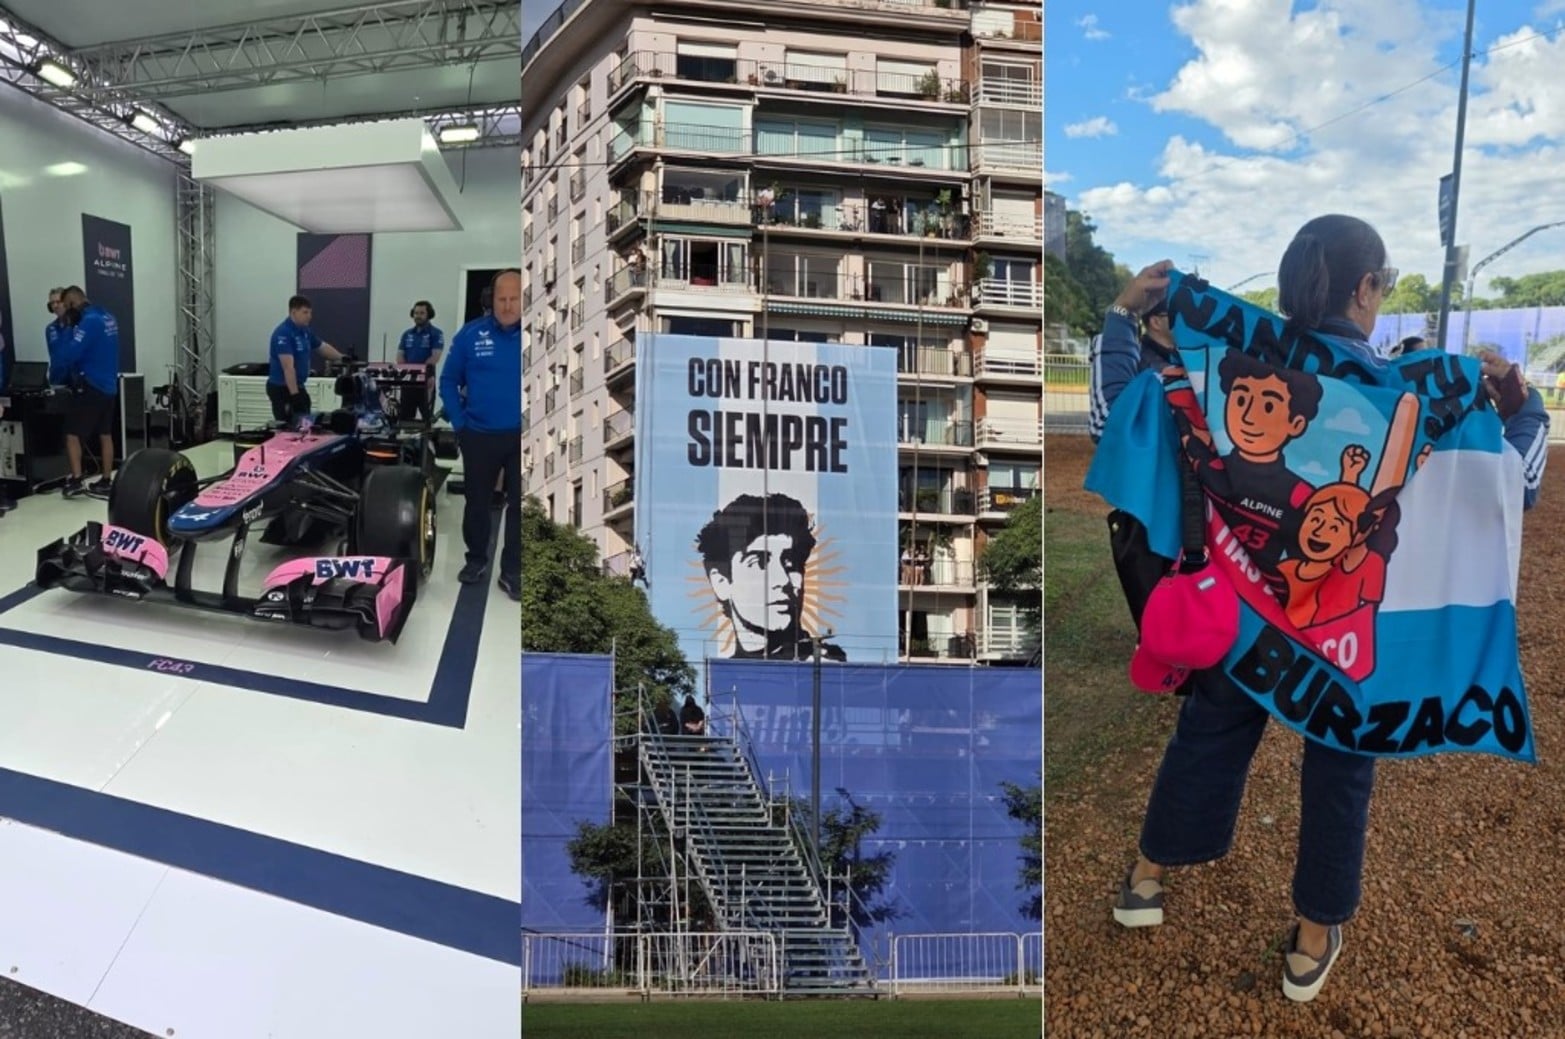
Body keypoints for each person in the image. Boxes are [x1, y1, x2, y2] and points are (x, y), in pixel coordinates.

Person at [1095, 216, 1548, 1004]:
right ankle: (1310, 940)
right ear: (1366, 289)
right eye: (1380, 284)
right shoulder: (1413, 388)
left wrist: (1118, 316)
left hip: (1242, 626)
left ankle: (1144, 883)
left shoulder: (1227, 377)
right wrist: (1523, 402)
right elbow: (1516, 479)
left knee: (1207, 737)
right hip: (1346, 642)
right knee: (1340, 767)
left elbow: (1113, 416)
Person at [440, 270, 521, 600]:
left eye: (514, 298)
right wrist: (460, 423)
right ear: (492, 300)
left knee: (521, 509)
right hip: (479, 435)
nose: (507, 305)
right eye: (501, 299)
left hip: (523, 438)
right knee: (477, 504)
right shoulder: (470, 336)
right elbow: (447, 381)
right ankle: (476, 560)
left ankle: (513, 571)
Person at [695, 492, 846, 661]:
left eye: (791, 563)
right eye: (759, 562)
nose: (782, 580)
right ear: (721, 582)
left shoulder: (825, 667)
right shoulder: (722, 676)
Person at [50, 287, 121, 499]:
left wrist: (67, 330)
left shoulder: (88, 321)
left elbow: (70, 353)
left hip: (92, 385)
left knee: (71, 434)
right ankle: (107, 480)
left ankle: (76, 480)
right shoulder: (108, 316)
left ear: (71, 303)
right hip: (110, 384)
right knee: (105, 434)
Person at [266, 295, 345, 428]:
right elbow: (288, 368)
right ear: (293, 312)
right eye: (305, 312)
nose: (309, 316)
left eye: (310, 312)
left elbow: (322, 347)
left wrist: (342, 357)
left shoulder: (305, 331)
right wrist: (295, 395)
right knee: (289, 427)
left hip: (298, 385)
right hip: (282, 388)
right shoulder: (283, 333)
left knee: (305, 423)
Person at [397, 300, 444, 423]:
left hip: (426, 381)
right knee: (404, 418)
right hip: (407, 381)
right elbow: (400, 356)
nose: (418, 316)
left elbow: (435, 357)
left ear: (429, 314)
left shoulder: (436, 333)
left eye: (422, 313)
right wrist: (407, 373)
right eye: (416, 313)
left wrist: (420, 373)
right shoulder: (406, 334)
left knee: (426, 419)